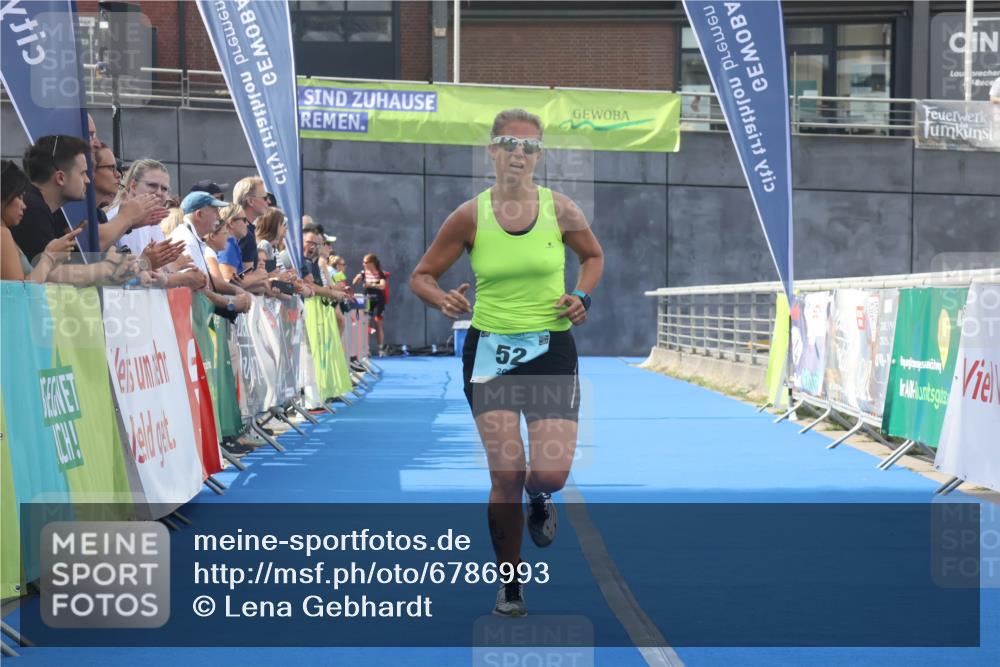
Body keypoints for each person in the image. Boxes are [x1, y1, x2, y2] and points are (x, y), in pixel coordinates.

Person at [410, 108, 604, 617]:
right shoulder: (469, 216)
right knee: (507, 472)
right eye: (508, 144)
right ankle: (511, 583)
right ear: (491, 151)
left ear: (539, 156)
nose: (518, 154)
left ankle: (542, 500)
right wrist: (442, 300)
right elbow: (422, 275)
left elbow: (594, 256)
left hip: (550, 349)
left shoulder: (560, 210)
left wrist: (582, 295)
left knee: (549, 474)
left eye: (529, 147)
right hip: (491, 350)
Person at [1, 160, 81, 282]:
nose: (24, 205)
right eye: (19, 197)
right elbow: (19, 294)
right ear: (4, 196)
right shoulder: (2, 234)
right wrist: (49, 256)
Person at [353, 253, 388, 356]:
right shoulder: (364, 272)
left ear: (372, 263)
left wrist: (371, 284)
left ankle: (381, 348)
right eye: (363, 262)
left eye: (365, 262)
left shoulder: (380, 273)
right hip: (368, 300)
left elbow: (382, 286)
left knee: (378, 323)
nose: (363, 264)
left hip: (378, 300)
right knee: (367, 323)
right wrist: (357, 278)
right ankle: (366, 349)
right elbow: (354, 282)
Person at [232, 176, 268, 272]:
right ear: (251, 201)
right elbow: (244, 278)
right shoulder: (245, 234)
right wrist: (265, 278)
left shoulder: (244, 231)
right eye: (265, 198)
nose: (268, 201)